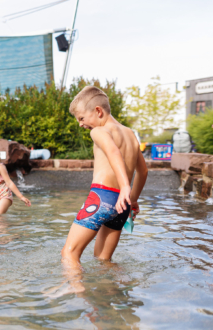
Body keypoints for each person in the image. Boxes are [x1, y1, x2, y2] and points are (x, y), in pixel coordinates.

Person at [61, 86, 148, 284]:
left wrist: (125, 187)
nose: (81, 125)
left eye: (82, 118)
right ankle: (114, 292)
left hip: (101, 198)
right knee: (103, 261)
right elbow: (143, 171)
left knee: (69, 253)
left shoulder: (99, 131)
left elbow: (113, 153)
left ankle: (76, 293)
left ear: (98, 111)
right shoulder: (130, 134)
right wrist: (131, 198)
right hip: (121, 206)